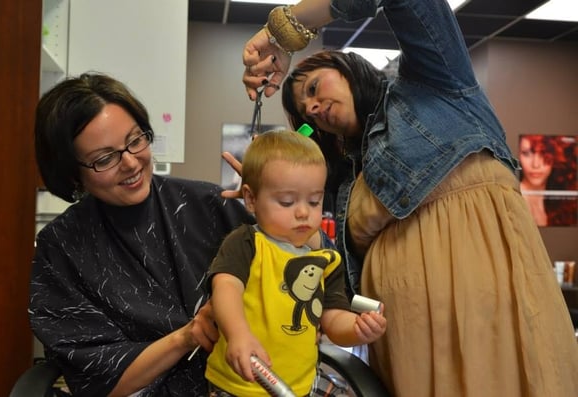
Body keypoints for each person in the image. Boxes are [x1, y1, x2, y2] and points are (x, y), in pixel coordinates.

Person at [239, 0, 578, 396]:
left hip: (488, 300)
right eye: (307, 114)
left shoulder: (434, 83)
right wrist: (265, 192)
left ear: (346, 67)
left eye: (314, 89)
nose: (313, 108)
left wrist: (286, 32)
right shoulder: (350, 174)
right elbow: (304, 228)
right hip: (406, 333)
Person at [29, 72, 256, 397]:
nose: (132, 163)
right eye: (105, 158)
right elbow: (100, 380)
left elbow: (304, 271)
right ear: (71, 172)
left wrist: (276, 206)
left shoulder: (210, 204)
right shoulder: (62, 247)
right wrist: (187, 336)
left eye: (136, 140)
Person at [206, 130, 386, 396]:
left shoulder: (325, 260)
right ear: (252, 199)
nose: (303, 212)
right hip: (240, 384)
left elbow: (332, 318)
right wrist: (238, 334)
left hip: (300, 385)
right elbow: (226, 288)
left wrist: (357, 330)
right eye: (287, 201)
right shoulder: (247, 243)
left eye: (314, 201)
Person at [518, 134, 577, 226]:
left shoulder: (562, 202)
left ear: (556, 156)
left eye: (544, 153)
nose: (536, 164)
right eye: (527, 153)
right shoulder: (512, 199)